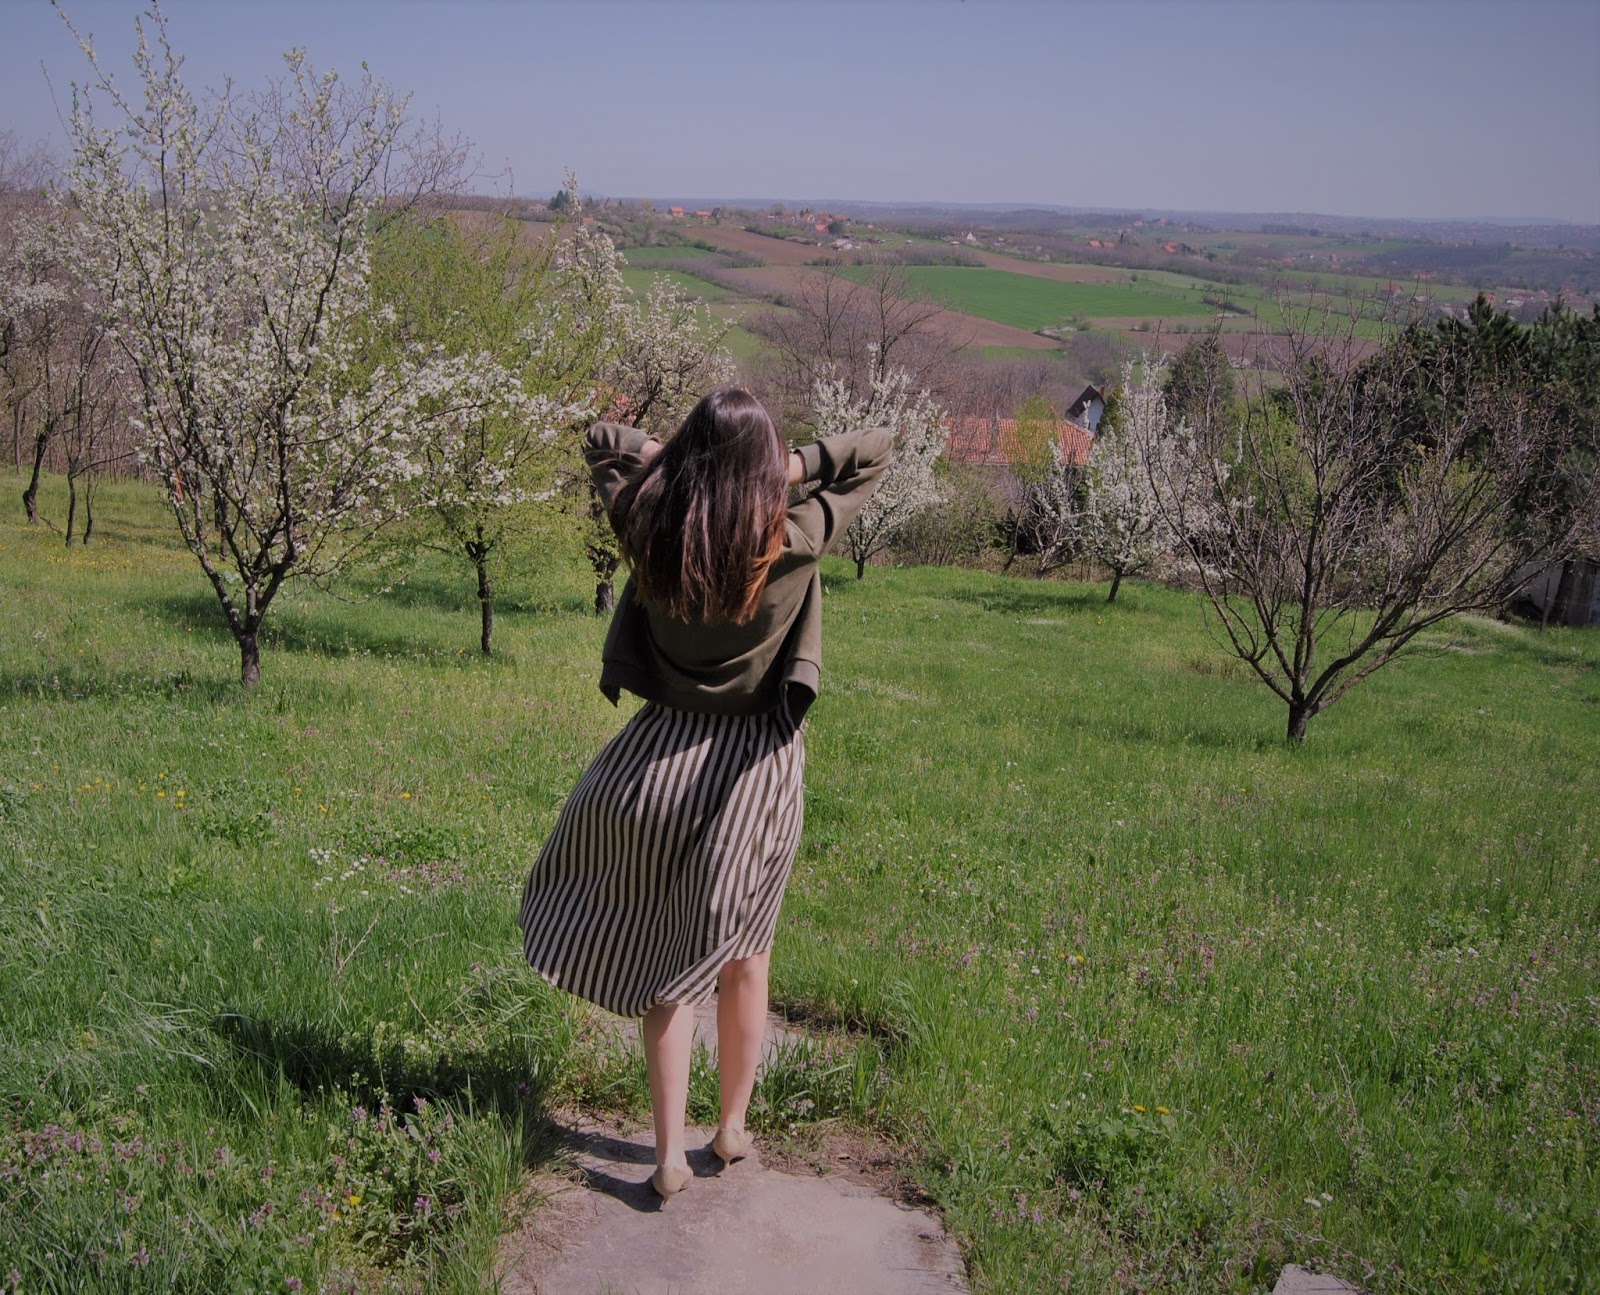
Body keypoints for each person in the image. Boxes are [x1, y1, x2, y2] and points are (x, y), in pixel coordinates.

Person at [518, 387, 892, 1202]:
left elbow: (601, 438)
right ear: (769, 467)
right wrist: (789, 468)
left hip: (658, 760)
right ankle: (729, 1127)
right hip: (757, 766)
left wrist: (682, 465)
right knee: (745, 954)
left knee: (666, 960)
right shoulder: (794, 536)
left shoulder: (648, 522)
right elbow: (877, 446)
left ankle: (665, 1156)